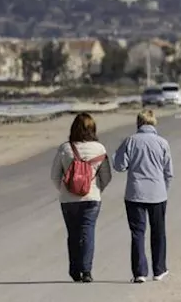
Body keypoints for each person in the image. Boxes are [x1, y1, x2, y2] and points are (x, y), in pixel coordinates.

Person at [50, 112, 112, 283]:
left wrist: (65, 189)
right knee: (87, 232)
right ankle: (86, 271)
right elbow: (106, 176)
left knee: (73, 234)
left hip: (68, 200)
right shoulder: (99, 149)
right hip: (91, 198)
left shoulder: (65, 148)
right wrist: (97, 189)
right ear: (92, 129)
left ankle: (74, 270)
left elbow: (55, 175)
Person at [114, 108, 173, 284]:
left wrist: (117, 155)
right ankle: (159, 270)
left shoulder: (130, 141)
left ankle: (140, 272)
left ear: (139, 122)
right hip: (157, 193)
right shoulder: (163, 143)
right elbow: (168, 172)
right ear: (154, 122)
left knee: (137, 233)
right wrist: (164, 189)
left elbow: (119, 166)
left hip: (135, 193)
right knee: (158, 232)